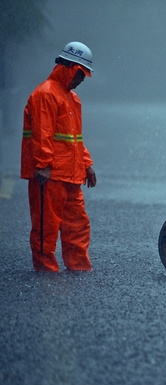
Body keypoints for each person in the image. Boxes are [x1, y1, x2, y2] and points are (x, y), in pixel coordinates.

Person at [21, 41, 97, 272]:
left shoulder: (71, 99)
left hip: (70, 174)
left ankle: (79, 267)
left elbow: (74, 138)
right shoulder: (45, 94)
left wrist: (87, 165)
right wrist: (43, 165)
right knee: (46, 226)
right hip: (50, 174)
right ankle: (46, 271)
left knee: (78, 225)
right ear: (68, 66)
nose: (81, 79)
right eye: (80, 73)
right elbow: (42, 133)